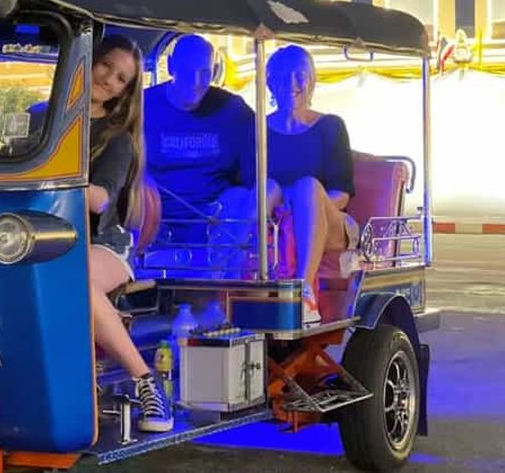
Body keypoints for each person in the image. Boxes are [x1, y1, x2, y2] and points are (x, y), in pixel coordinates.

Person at [82, 34, 173, 433]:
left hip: (104, 244)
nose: (108, 79)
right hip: (41, 237)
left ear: (125, 91)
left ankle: (147, 383)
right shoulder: (43, 119)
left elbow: (102, 199)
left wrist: (58, 181)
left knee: (74, 278)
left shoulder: (117, 138)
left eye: (121, 78)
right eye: (106, 66)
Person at [265, 45, 357, 323]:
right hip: (276, 221)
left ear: (312, 80)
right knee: (267, 187)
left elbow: (341, 194)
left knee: (306, 187)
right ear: (270, 83)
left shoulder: (330, 127)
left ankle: (304, 293)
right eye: (282, 75)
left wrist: (303, 209)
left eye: (300, 75)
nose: (292, 83)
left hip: (329, 221)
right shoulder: (258, 129)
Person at [143, 35, 256, 257]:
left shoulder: (233, 110)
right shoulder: (143, 105)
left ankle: (221, 271)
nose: (195, 82)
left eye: (204, 73)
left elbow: (256, 174)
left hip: (218, 220)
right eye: (187, 71)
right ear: (171, 66)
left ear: (214, 71)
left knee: (240, 196)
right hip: (155, 216)